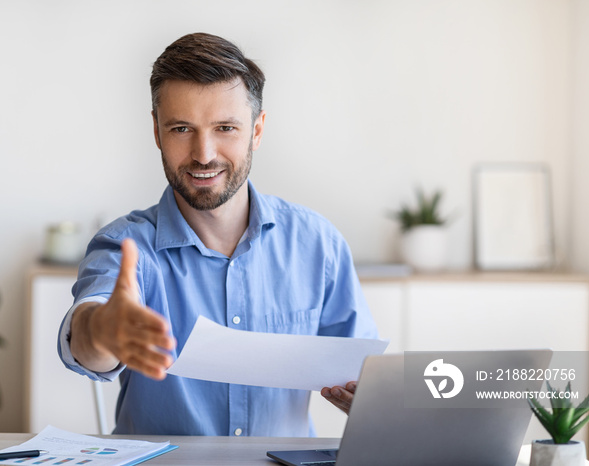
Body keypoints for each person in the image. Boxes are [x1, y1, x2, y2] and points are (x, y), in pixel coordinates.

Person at [57, 32, 378, 436]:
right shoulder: (125, 246)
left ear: (257, 131)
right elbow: (88, 340)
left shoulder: (318, 243)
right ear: (157, 132)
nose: (204, 153)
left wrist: (368, 399)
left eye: (225, 127)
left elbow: (366, 375)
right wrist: (102, 330)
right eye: (181, 129)